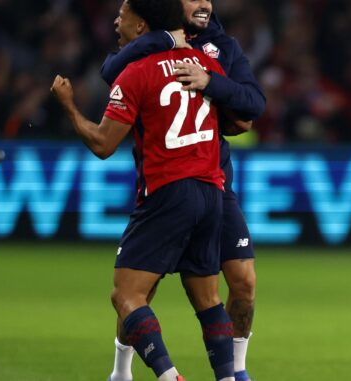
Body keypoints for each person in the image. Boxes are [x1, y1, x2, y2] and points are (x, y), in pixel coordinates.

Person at [52, 0, 253, 379]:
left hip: (166, 191)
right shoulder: (202, 65)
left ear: (142, 27)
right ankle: (227, 377)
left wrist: (68, 107)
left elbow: (102, 144)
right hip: (212, 192)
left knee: (126, 295)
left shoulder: (136, 72)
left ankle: (168, 375)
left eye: (123, 15)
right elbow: (243, 121)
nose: (116, 21)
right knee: (208, 301)